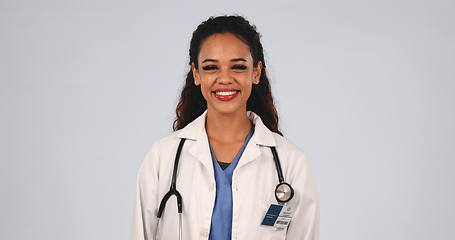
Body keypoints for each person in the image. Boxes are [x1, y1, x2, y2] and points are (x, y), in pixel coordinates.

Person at [130, 14, 320, 240]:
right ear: (196, 74)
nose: (225, 79)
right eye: (211, 67)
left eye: (238, 67)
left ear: (256, 72)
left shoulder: (291, 163)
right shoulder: (162, 157)